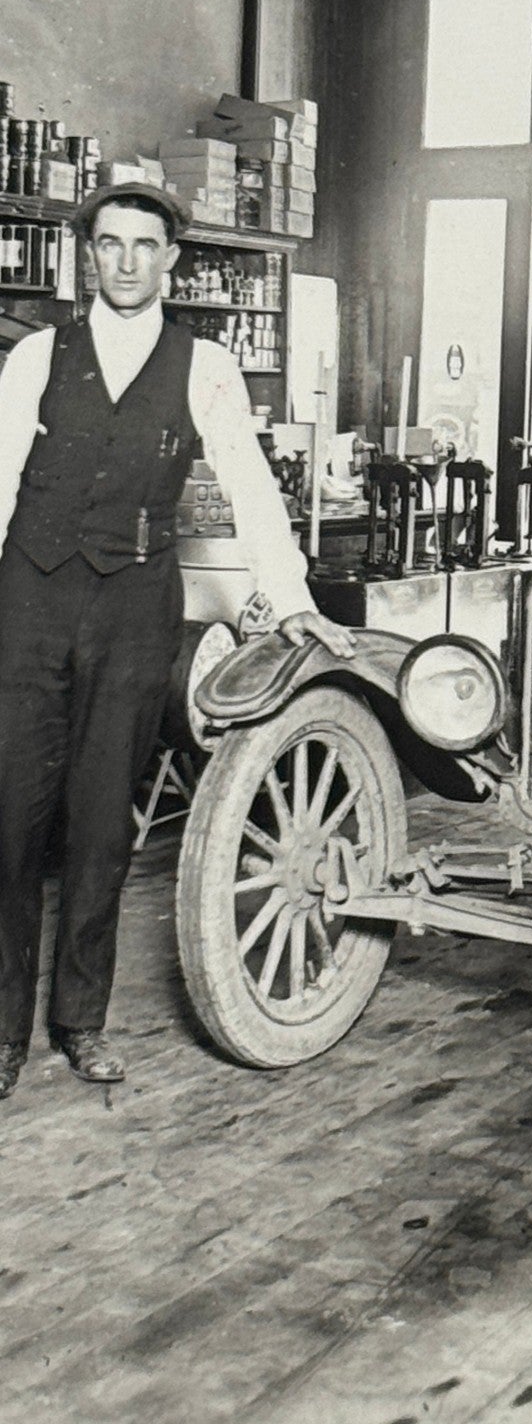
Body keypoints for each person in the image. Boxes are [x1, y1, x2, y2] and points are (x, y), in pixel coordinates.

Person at [0, 182, 355, 1099]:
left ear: (172, 261)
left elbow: (248, 487)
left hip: (133, 611)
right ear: (89, 255)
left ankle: (79, 1023)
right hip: (27, 603)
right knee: (9, 824)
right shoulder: (39, 355)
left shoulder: (205, 368)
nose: (124, 261)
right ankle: (3, 1034)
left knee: (99, 825)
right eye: (108, 244)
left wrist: (292, 600)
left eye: (142, 245)